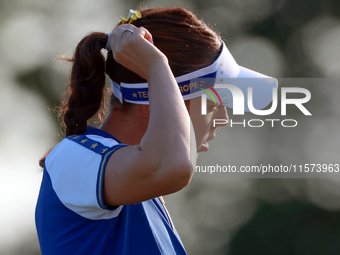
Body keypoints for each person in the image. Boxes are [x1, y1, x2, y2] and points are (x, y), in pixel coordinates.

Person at [35, 6, 277, 255]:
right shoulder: (72, 158)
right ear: (157, 96)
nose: (223, 117)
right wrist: (155, 65)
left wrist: (154, 70)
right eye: (215, 101)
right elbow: (173, 165)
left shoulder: (140, 187)